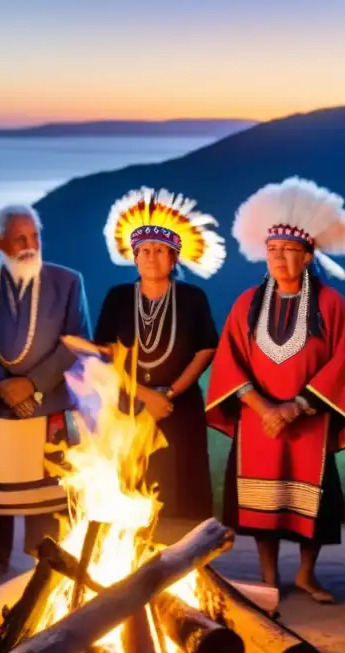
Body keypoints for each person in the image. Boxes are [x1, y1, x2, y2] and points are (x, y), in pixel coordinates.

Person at [206, 177, 345, 604]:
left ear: (309, 255)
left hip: (308, 421)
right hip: (257, 423)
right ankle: (268, 575)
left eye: (289, 250)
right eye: (272, 250)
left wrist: (296, 406)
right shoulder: (246, 303)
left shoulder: (331, 305)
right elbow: (229, 360)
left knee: (310, 505)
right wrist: (262, 407)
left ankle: (307, 575)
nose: (278, 258)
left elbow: (344, 360)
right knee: (263, 506)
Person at [0, 204, 91, 582]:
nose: (30, 245)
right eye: (20, 238)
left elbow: (77, 341)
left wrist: (31, 384)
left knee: (47, 487)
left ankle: (44, 559)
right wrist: (1, 384)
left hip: (47, 399)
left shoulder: (67, 281)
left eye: (35, 236)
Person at [94, 187, 223, 526]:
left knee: (183, 485)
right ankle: (131, 555)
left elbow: (206, 348)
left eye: (160, 250)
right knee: (132, 481)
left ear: (173, 258)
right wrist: (145, 395)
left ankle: (186, 558)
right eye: (145, 251)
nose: (152, 257)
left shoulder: (193, 297)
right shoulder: (118, 297)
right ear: (134, 257)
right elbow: (105, 355)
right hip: (129, 406)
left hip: (180, 407)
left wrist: (169, 393)